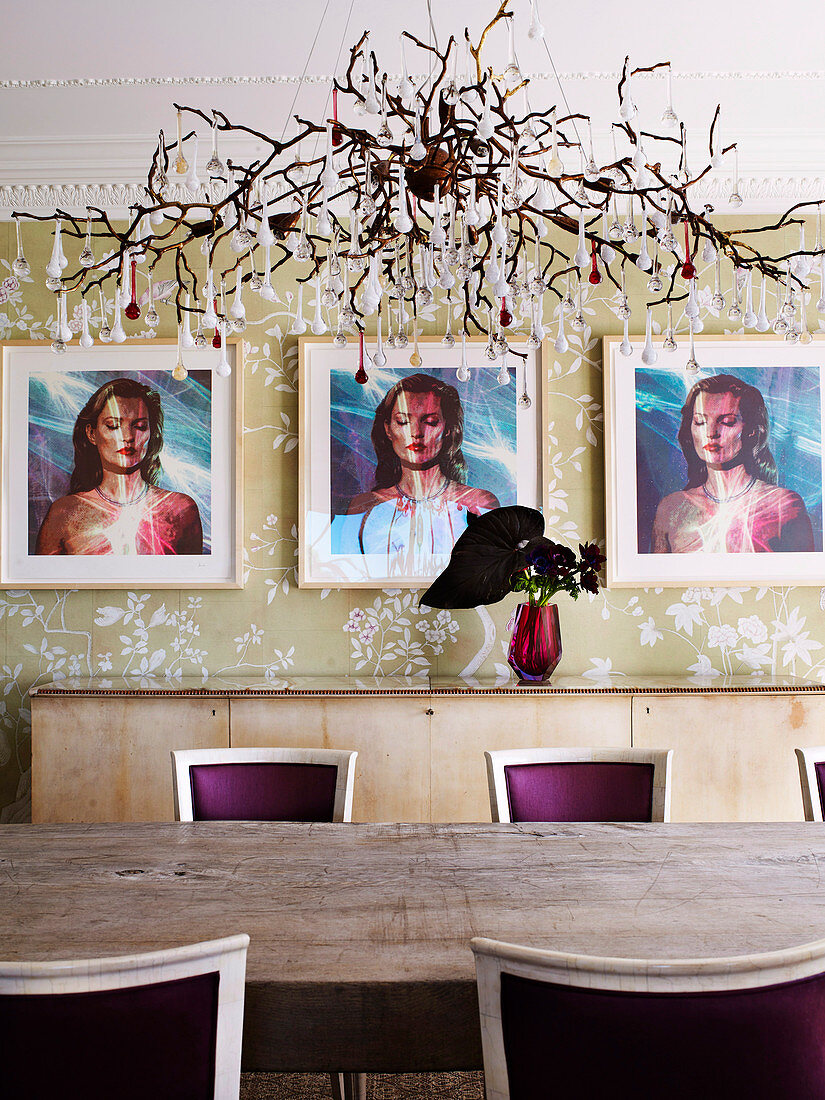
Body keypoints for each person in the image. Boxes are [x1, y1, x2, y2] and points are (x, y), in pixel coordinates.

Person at [344, 373, 500, 571]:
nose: (416, 432)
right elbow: (346, 576)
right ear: (388, 429)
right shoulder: (363, 507)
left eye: (430, 421)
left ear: (448, 429)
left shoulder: (479, 503)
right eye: (403, 422)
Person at [35, 377, 203, 556]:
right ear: (92, 434)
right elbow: (44, 582)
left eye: (139, 426)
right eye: (113, 426)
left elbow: (192, 579)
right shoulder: (64, 514)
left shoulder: (180, 509)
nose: (128, 436)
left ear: (151, 433)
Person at [651, 373, 814, 554]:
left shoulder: (783, 505)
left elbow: (804, 577)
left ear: (752, 430)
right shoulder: (671, 508)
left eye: (727, 422)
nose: (711, 432)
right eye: (700, 422)